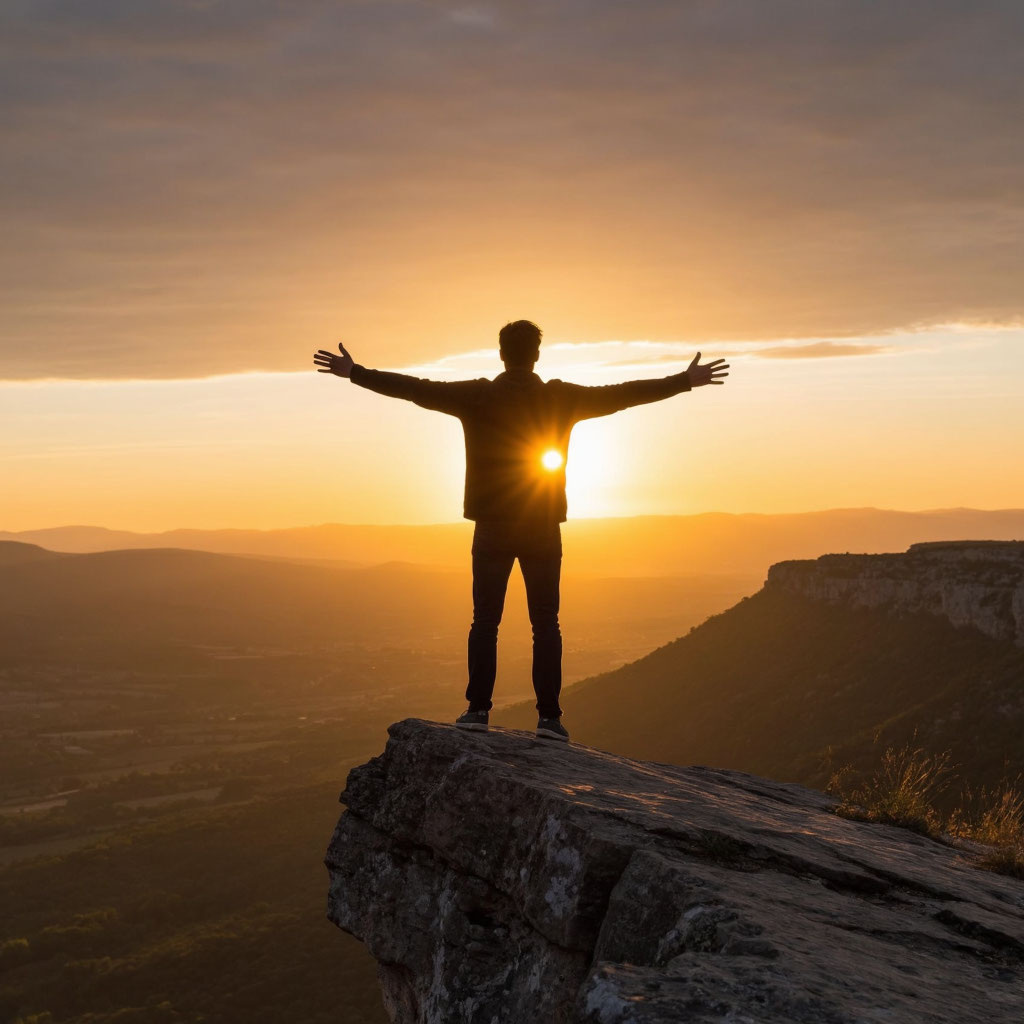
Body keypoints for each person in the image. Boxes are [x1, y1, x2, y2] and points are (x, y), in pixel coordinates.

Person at [313, 320, 728, 742]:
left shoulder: (477, 395)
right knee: (546, 624)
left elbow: (415, 388)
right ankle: (549, 720)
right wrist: (683, 381)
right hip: (542, 525)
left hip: (492, 526)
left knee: (485, 623)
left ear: (501, 354)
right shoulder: (560, 398)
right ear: (536, 356)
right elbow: (621, 395)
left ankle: (477, 711)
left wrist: (356, 373)